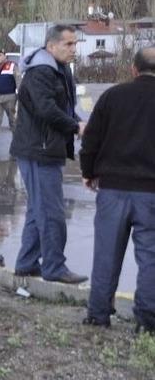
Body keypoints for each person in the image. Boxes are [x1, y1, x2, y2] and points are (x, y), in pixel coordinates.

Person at [80, 47, 155, 333]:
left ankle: (98, 315)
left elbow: (91, 140)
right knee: (151, 259)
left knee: (106, 255)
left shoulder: (112, 96)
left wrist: (88, 172)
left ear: (133, 70)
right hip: (152, 194)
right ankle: (147, 323)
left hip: (112, 189)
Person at [9, 24, 88, 284]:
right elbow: (46, 110)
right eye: (69, 44)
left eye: (75, 44)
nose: (74, 49)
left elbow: (62, 107)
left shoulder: (58, 69)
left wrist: (76, 121)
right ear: (51, 46)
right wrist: (75, 126)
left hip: (44, 149)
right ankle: (54, 267)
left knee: (37, 211)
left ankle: (26, 264)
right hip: (38, 151)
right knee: (51, 212)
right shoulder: (41, 71)